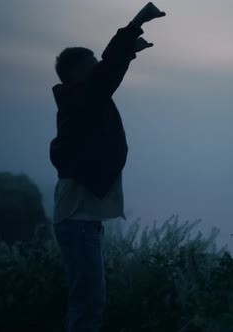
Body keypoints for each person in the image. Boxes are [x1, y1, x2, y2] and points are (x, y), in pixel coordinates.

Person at [48, 3, 166, 331]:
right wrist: (137, 23)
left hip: (83, 221)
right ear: (75, 74)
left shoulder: (83, 101)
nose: (98, 68)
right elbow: (109, 71)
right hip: (79, 222)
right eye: (91, 66)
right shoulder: (81, 99)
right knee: (89, 306)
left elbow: (108, 71)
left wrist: (128, 52)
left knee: (86, 303)